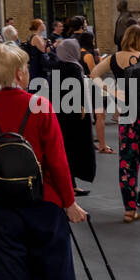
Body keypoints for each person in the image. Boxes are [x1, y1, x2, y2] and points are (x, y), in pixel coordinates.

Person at [0, 43, 86, 280]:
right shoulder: (40, 106)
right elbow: (58, 162)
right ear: (21, 74)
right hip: (43, 203)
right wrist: (69, 202)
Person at [88, 25, 140, 225]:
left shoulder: (114, 59)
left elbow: (93, 75)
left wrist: (113, 92)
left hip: (128, 117)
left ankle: (129, 210)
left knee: (128, 164)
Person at [50, 38, 96, 195]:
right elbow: (79, 90)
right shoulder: (74, 67)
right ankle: (71, 184)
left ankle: (70, 183)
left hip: (59, 113)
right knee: (75, 149)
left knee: (64, 148)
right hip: (75, 115)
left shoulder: (56, 66)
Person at [78, 30, 112, 154]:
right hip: (92, 87)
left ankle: (90, 143)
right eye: (93, 40)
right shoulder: (88, 55)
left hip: (82, 85)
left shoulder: (78, 52)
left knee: (86, 116)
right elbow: (94, 73)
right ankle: (102, 145)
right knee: (100, 115)